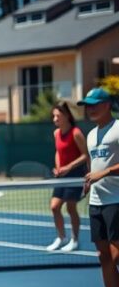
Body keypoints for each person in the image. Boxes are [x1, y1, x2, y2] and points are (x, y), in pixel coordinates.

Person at [77, 87, 119, 287]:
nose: (90, 108)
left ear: (108, 104)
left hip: (117, 201)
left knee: (115, 257)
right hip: (97, 202)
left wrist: (104, 173)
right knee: (104, 257)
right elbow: (96, 165)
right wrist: (90, 180)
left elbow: (105, 168)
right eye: (87, 105)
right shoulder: (91, 134)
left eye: (95, 104)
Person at [48, 102, 87, 252]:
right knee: (54, 207)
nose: (55, 119)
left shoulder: (76, 132)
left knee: (71, 208)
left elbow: (85, 155)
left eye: (58, 115)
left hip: (76, 175)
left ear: (67, 116)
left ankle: (75, 240)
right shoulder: (56, 133)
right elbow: (58, 152)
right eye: (54, 116)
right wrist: (58, 167)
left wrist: (68, 167)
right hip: (62, 175)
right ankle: (61, 237)